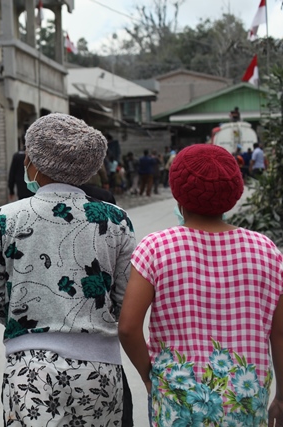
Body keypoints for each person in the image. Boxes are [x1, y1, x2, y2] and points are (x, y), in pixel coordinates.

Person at [0, 113, 136, 426]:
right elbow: (124, 297)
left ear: (35, 164)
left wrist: (24, 316)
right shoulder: (116, 219)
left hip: (30, 368)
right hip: (100, 367)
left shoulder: (6, 218)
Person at [118, 144, 283, 427]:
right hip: (244, 398)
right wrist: (281, 396)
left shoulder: (156, 247)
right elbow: (279, 333)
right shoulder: (266, 250)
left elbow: (128, 328)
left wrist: (149, 374)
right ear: (234, 192)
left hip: (177, 399)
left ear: (178, 192)